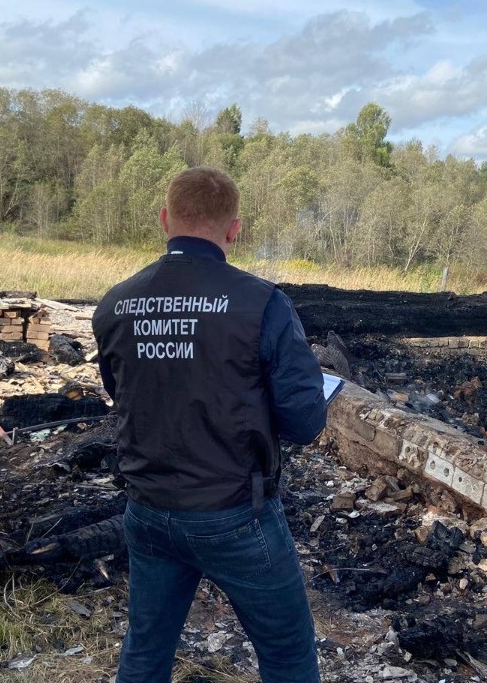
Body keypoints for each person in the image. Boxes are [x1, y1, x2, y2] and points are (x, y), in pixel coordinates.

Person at [92, 166, 327, 683]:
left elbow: (124, 393)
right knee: (288, 655)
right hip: (234, 515)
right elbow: (305, 421)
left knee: (145, 653)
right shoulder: (261, 303)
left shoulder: (115, 303)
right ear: (233, 229)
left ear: (164, 220)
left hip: (148, 509)